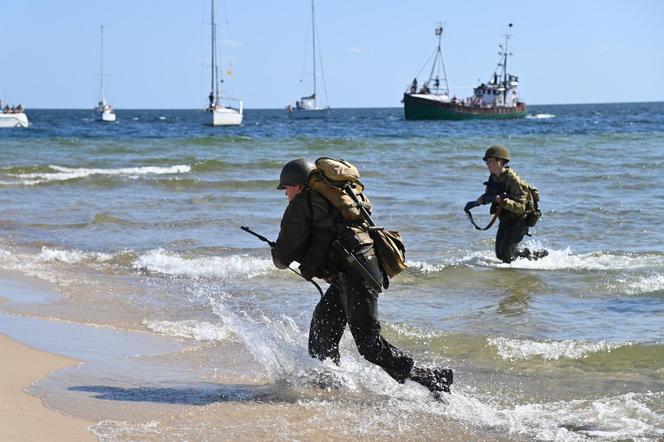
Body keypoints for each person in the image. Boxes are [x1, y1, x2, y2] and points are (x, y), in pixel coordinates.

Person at [271, 158, 452, 394]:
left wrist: (277, 252)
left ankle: (432, 377)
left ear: (297, 185)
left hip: (356, 274)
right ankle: (327, 382)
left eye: (286, 189)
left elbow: (282, 258)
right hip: (357, 269)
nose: (286, 194)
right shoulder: (329, 198)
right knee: (323, 324)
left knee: (369, 345)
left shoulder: (302, 204)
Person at [464, 145, 547, 263]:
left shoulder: (513, 180)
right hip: (506, 218)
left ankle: (536, 258)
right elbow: (490, 195)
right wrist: (477, 202)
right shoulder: (494, 177)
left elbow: (521, 207)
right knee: (500, 254)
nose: (487, 165)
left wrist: (503, 201)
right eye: (487, 162)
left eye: (490, 161)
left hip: (520, 219)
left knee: (507, 256)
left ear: (500, 162)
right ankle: (531, 256)